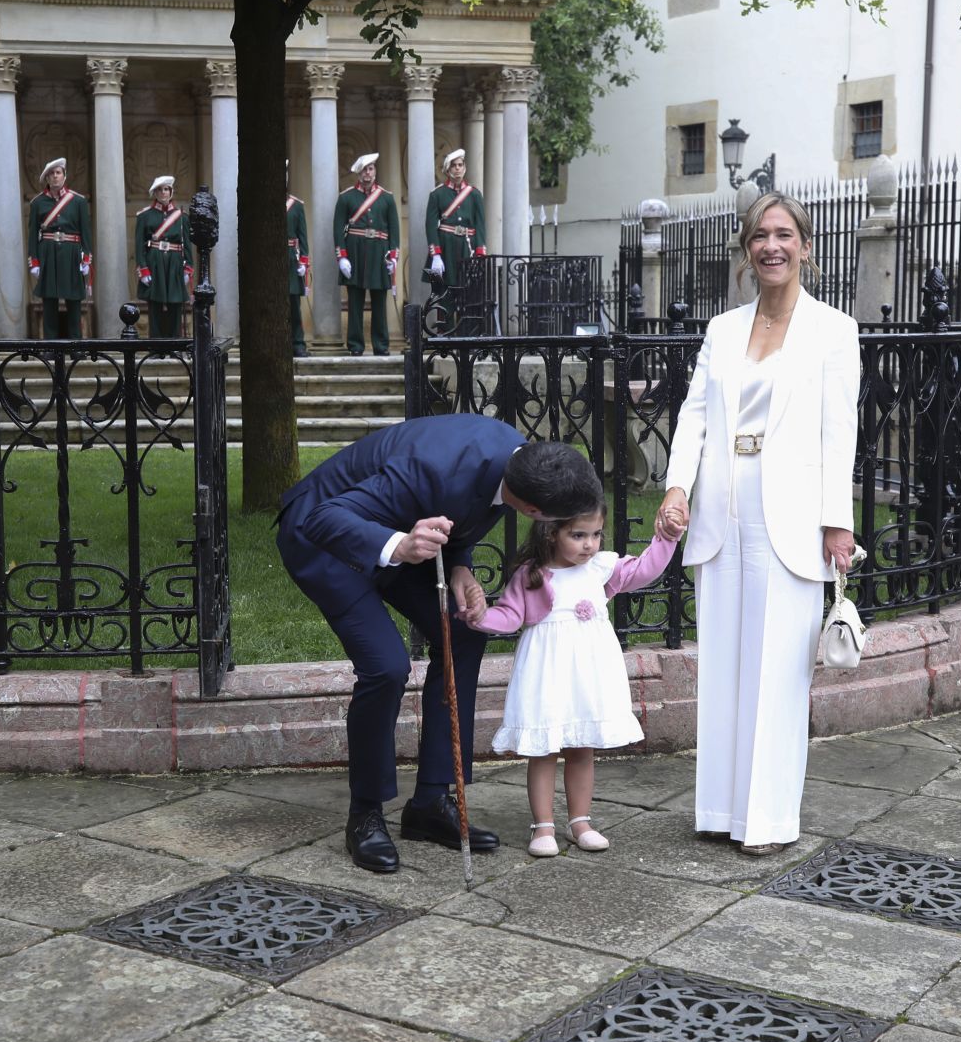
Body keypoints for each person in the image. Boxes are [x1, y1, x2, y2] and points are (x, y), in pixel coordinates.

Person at [276, 415, 602, 873]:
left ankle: (431, 801)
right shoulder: (432, 468)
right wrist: (400, 546)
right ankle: (365, 814)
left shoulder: (519, 465)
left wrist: (459, 566)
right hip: (325, 538)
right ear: (532, 511)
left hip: (405, 535)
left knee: (465, 631)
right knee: (387, 666)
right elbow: (322, 517)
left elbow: (457, 511)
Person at [659, 191, 860, 855]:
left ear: (804, 245)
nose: (771, 246)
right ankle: (720, 810)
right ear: (746, 250)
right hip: (722, 511)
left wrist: (838, 523)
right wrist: (677, 488)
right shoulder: (721, 329)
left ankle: (768, 822)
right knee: (724, 667)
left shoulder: (834, 329)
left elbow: (840, 434)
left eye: (783, 234)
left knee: (777, 673)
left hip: (793, 519)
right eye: (759, 236)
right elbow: (693, 416)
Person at [467, 491, 685, 856]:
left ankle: (580, 821)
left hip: (588, 670)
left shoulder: (600, 569)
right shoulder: (533, 574)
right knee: (545, 748)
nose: (589, 544)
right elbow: (510, 615)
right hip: (547, 669)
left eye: (596, 534)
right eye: (579, 535)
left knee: (582, 745)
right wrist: (478, 616)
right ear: (552, 532)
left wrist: (667, 538)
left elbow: (645, 570)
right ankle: (543, 826)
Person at [333, 152, 399, 355]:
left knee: (379, 302)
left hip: (379, 253)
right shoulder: (346, 198)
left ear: (375, 171)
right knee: (355, 302)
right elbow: (338, 229)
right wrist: (342, 257)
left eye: (370, 169)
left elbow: (394, 230)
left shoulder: (387, 198)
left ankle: (381, 345)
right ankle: (355, 345)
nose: (367, 174)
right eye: (363, 170)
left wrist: (393, 256)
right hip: (355, 253)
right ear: (358, 174)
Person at [30, 157, 92, 338]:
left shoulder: (78, 201)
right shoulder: (37, 203)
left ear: (64, 176)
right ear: (47, 178)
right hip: (47, 252)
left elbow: (85, 233)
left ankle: (76, 345)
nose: (55, 176)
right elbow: (33, 234)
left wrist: (86, 258)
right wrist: (34, 261)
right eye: (51, 173)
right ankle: (50, 346)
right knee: (49, 300)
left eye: (58, 173)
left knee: (74, 301)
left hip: (72, 252)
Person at [136, 174, 191, 337]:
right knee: (155, 305)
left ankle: (174, 343)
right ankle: (156, 346)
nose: (163, 193)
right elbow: (139, 246)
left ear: (171, 191)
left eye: (166, 189)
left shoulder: (182, 217)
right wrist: (143, 269)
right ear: (155, 193)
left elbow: (186, 245)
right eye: (159, 190)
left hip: (174, 262)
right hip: (154, 262)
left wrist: (188, 268)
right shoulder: (145, 216)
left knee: (175, 303)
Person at [425, 149, 486, 290]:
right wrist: (436, 255)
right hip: (446, 248)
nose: (457, 168)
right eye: (454, 165)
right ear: (448, 169)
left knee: (469, 296)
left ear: (464, 167)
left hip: (467, 247)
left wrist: (480, 252)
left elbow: (480, 225)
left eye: (460, 165)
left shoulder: (474, 194)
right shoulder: (437, 194)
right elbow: (430, 226)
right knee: (443, 298)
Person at [286, 163, 311, 358]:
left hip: (290, 260)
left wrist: (303, 261)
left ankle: (298, 342)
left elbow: (303, 237)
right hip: (271, 261)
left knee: (294, 303)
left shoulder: (296, 206)